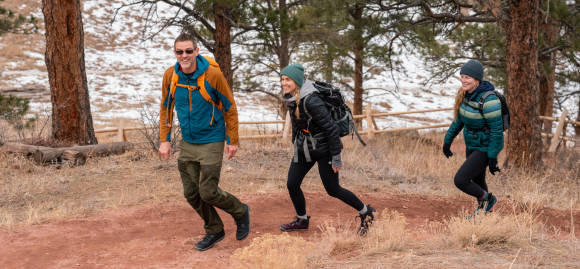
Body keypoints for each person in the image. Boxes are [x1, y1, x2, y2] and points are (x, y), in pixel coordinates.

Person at [158, 33, 249, 251]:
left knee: (207, 191)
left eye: (189, 51)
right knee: (191, 193)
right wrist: (165, 140)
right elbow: (166, 108)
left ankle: (240, 211)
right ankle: (215, 229)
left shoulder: (212, 75)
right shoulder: (171, 75)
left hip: (211, 139)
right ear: (175, 53)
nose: (184, 55)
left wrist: (232, 139)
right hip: (188, 142)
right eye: (179, 51)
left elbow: (230, 107)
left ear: (197, 51)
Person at [279, 63, 375, 235]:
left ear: (298, 81)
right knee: (292, 184)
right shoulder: (292, 97)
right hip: (305, 148)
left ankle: (366, 213)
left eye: (288, 80)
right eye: (283, 79)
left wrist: (336, 157)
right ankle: (302, 219)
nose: (284, 83)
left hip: (325, 150)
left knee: (333, 189)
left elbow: (331, 129)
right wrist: (296, 144)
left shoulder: (312, 100)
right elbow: (297, 123)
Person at [442, 59, 502, 215]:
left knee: (460, 180)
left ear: (477, 79)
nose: (463, 80)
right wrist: (446, 142)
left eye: (467, 77)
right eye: (462, 76)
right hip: (472, 145)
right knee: (478, 181)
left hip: (485, 148)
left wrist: (492, 157)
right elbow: (458, 122)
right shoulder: (465, 96)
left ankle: (489, 199)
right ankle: (483, 215)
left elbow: (497, 131)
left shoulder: (489, 100)